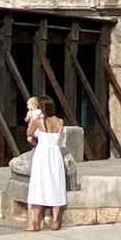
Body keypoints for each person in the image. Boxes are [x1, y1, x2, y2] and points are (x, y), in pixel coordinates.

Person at [26, 97, 68, 232]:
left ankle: (35, 221)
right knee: (56, 183)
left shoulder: (39, 121)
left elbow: (29, 133)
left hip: (43, 153)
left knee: (38, 183)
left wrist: (32, 120)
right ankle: (55, 221)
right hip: (55, 153)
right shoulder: (60, 121)